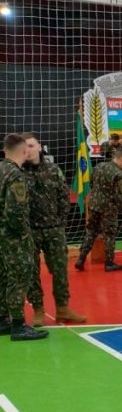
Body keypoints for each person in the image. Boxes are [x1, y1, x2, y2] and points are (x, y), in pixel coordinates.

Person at [22, 133, 85, 326]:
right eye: (25, 147)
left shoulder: (53, 170)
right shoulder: (18, 173)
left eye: (31, 145)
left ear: (39, 147)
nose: (29, 150)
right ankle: (38, 310)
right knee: (31, 272)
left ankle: (63, 309)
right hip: (30, 231)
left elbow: (63, 197)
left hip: (54, 229)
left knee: (60, 270)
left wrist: (60, 222)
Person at [0, 134, 48, 341]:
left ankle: (3, 320)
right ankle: (18, 325)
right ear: (24, 151)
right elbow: (15, 211)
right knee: (18, 277)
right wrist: (24, 234)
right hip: (13, 238)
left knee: (3, 276)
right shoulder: (15, 175)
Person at [75, 146, 122, 272]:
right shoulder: (118, 174)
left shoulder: (99, 166)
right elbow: (118, 195)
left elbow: (91, 183)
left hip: (94, 205)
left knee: (91, 232)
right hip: (108, 208)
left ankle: (81, 259)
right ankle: (109, 263)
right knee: (109, 235)